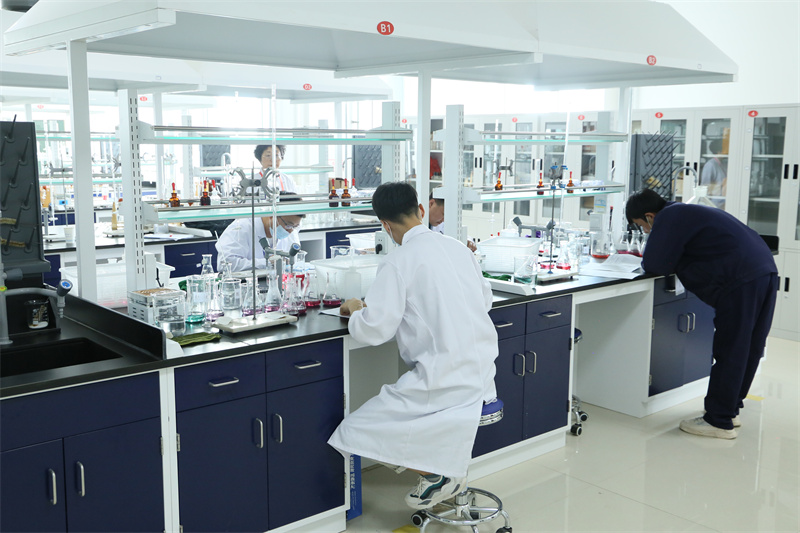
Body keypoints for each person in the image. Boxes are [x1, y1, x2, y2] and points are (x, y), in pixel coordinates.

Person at [328, 181, 499, 509]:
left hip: (442, 381)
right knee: (396, 421)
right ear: (421, 210)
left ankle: (438, 474)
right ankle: (442, 470)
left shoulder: (398, 261)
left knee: (353, 430)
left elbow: (374, 330)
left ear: (385, 225)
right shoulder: (459, 249)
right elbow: (485, 300)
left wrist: (356, 310)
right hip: (482, 376)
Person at [625, 189, 778, 439]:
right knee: (749, 347)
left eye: (641, 225)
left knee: (731, 348)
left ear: (649, 216)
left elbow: (654, 264)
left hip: (740, 279)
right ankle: (729, 410)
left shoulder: (667, 218)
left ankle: (718, 421)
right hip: (765, 272)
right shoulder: (684, 212)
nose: (645, 231)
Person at [215, 192, 304, 271]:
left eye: (295, 226)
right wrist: (267, 263)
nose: (290, 231)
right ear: (271, 214)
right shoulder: (241, 228)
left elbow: (294, 265)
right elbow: (224, 265)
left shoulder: (292, 232)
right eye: (288, 225)